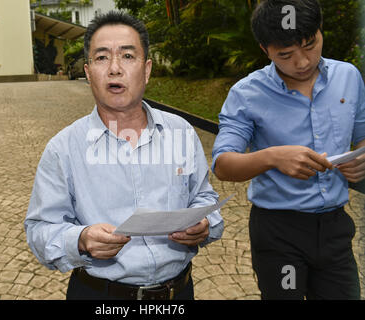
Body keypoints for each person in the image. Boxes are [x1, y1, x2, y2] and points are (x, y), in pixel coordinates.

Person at [24, 11, 224, 300]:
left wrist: (205, 225)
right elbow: (40, 231)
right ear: (88, 70)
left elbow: (205, 199)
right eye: (102, 57)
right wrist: (80, 240)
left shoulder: (180, 132)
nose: (115, 68)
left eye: (128, 56)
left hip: (177, 293)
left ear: (147, 69)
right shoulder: (64, 148)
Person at [212, 0, 364, 300]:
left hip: (336, 229)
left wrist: (361, 158)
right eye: (286, 55)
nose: (304, 61)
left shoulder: (349, 77)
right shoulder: (246, 94)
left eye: (310, 45)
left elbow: (362, 136)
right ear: (264, 49)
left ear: (320, 31)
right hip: (279, 233)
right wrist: (272, 157)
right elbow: (222, 164)